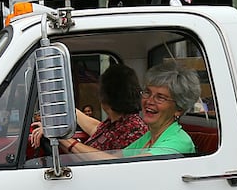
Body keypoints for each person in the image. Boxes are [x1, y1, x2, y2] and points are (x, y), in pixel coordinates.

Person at [60, 61, 199, 160]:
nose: (149, 101)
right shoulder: (149, 137)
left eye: (160, 98)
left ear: (179, 109)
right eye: (147, 93)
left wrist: (65, 139)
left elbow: (116, 167)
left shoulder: (178, 142)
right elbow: (111, 159)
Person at [34, 63, 147, 154]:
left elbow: (107, 161)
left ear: (104, 97)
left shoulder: (134, 130)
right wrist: (66, 107)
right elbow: (96, 128)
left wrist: (57, 134)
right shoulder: (117, 123)